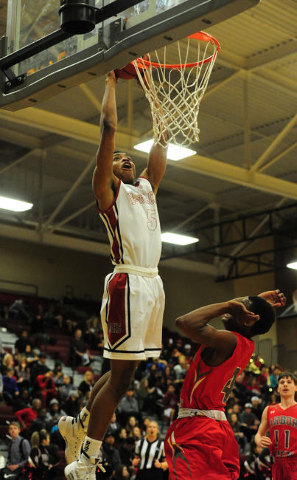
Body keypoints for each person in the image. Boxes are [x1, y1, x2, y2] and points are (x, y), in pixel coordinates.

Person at [60, 67, 168, 480]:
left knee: (123, 372)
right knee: (122, 380)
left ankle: (79, 422)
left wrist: (157, 96)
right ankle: (86, 458)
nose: (126, 157)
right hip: (127, 283)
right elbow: (107, 129)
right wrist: (111, 81)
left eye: (130, 156)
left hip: (152, 282)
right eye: (119, 156)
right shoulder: (107, 193)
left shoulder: (146, 189)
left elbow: (161, 139)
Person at [164, 289, 286, 480]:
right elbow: (238, 316)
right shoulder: (246, 344)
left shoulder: (228, 341)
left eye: (241, 306)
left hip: (198, 426)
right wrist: (256, 301)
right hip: (217, 426)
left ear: (248, 319)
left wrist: (229, 306)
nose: (233, 304)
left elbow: (184, 322)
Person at [255, 371, 297, 480]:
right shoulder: (269, 410)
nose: (285, 385)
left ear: (296, 387)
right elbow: (259, 434)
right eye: (282, 382)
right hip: (277, 462)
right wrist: (259, 441)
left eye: (289, 382)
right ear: (278, 389)